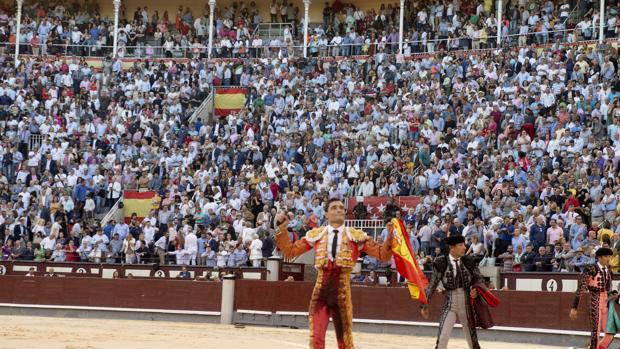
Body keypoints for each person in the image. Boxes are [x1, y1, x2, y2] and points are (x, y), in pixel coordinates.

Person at [275, 198, 393, 349]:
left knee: (345, 341)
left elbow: (383, 255)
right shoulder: (316, 235)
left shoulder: (356, 236)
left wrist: (390, 236)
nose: (338, 210)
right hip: (320, 294)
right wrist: (282, 230)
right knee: (316, 338)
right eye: (334, 208)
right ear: (326, 214)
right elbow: (290, 251)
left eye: (341, 208)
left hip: (342, 293)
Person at [422, 235, 484, 349]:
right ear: (452, 247)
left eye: (464, 245)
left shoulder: (468, 261)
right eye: (461, 245)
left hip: (466, 303)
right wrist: (424, 303)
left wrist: (476, 290)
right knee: (442, 337)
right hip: (450, 304)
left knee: (472, 340)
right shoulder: (441, 262)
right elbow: (433, 283)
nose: (464, 248)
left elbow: (479, 279)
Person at [570, 247, 614, 349]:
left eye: (609, 256)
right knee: (596, 333)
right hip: (595, 301)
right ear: (599, 257)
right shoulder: (590, 269)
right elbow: (580, 289)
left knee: (610, 333)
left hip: (606, 303)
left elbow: (610, 290)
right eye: (606, 256)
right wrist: (574, 307)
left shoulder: (609, 271)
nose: (608, 259)